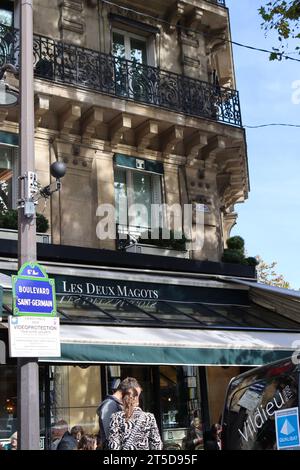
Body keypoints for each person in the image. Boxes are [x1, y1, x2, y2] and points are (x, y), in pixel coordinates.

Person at [97, 377, 142, 449]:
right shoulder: (110, 405)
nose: (137, 400)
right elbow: (110, 436)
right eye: (136, 395)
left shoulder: (114, 405)